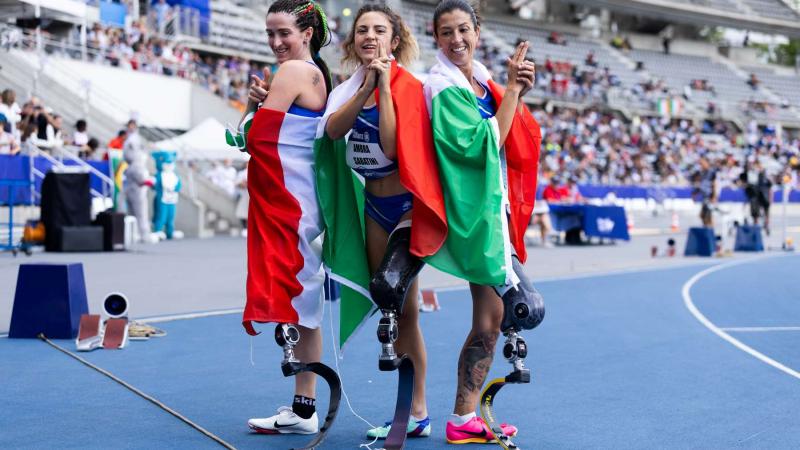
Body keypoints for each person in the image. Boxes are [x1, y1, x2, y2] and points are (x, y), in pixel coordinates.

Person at [423, 0, 544, 444]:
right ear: (435, 38)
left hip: (493, 210)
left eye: (463, 30)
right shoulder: (441, 85)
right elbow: (481, 143)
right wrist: (510, 91)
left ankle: (462, 418)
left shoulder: (480, 81)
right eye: (446, 32)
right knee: (516, 309)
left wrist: (513, 90)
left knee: (491, 320)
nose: (456, 40)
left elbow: (508, 130)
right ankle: (451, 416)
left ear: (478, 30)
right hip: (471, 214)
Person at [318, 4, 435, 440]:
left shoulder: (412, 87)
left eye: (379, 30)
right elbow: (332, 131)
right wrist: (365, 85)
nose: (370, 36)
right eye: (362, 30)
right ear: (353, 42)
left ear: (395, 40)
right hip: (372, 208)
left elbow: (390, 145)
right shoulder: (348, 86)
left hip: (407, 209)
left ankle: (419, 407)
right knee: (391, 304)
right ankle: (409, 408)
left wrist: (384, 87)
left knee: (407, 307)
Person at [241, 0, 333, 437]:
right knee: (304, 306)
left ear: (308, 32)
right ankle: (303, 406)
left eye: (285, 34)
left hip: (290, 204)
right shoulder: (315, 73)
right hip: (302, 203)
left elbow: (253, 137)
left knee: (301, 302)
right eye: (270, 35)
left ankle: (305, 408)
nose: (277, 43)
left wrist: (250, 111)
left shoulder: (294, 72)